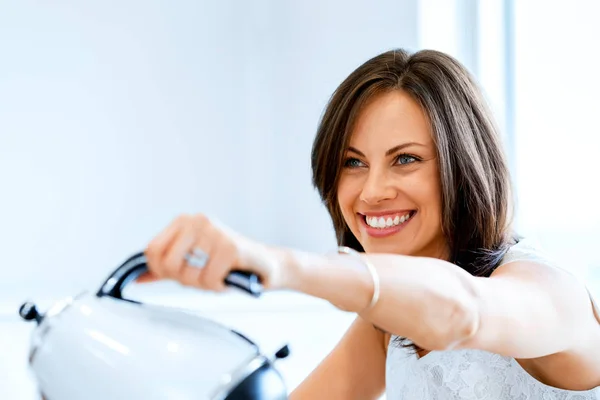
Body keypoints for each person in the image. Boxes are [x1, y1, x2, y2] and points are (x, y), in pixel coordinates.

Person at [143, 49, 600, 399]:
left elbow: (463, 312)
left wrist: (281, 265)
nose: (372, 191)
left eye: (406, 159)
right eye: (353, 162)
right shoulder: (385, 323)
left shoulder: (549, 290)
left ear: (465, 168)